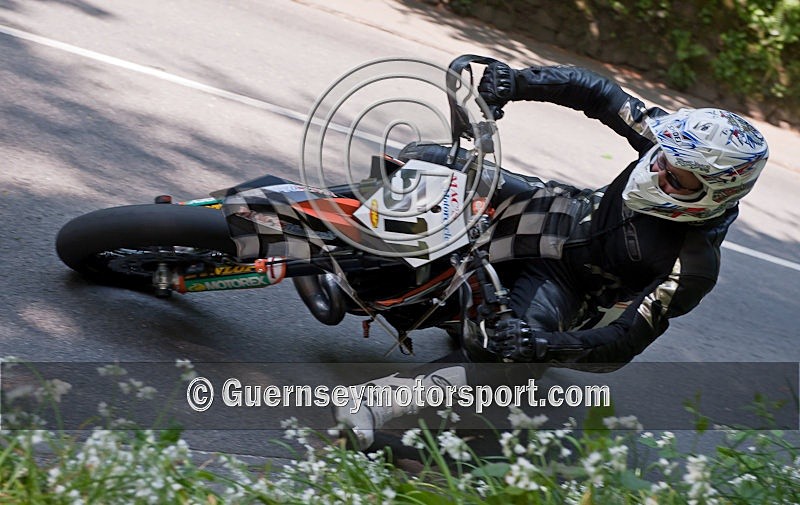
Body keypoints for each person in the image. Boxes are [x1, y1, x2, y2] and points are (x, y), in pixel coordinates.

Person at [334, 60, 770, 449]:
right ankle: (343, 246)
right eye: (661, 157)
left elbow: (623, 342)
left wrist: (543, 343)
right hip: (555, 210)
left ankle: (377, 401)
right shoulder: (668, 143)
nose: (657, 169)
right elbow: (597, 92)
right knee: (429, 160)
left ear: (715, 192)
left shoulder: (692, 267)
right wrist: (518, 82)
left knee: (505, 356)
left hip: (568, 283)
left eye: (675, 176)